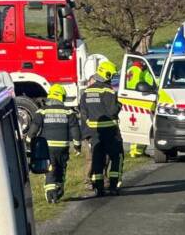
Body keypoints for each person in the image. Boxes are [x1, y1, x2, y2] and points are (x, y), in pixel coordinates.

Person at [29, 84, 81, 204]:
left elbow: (33, 129)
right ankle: (58, 189)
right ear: (62, 97)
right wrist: (77, 146)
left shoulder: (42, 111)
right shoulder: (68, 112)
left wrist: (29, 144)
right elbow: (75, 130)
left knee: (50, 169)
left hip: (47, 148)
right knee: (61, 169)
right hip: (63, 147)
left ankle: (51, 195)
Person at [82, 62, 123, 196]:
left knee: (97, 160)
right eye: (111, 76)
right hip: (110, 132)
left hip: (94, 133)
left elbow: (82, 112)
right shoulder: (108, 91)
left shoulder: (86, 92)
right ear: (107, 74)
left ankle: (98, 188)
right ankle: (112, 186)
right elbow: (112, 111)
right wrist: (119, 105)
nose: (111, 79)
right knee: (116, 157)